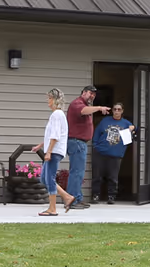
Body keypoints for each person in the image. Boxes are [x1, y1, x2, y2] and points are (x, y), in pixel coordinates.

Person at [64, 85, 108, 210]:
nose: (92, 96)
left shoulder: (84, 105)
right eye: (90, 93)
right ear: (83, 93)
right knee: (76, 172)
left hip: (80, 143)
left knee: (79, 172)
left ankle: (77, 198)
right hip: (76, 142)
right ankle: (71, 201)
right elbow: (83, 111)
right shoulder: (77, 103)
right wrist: (99, 108)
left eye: (94, 94)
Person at [35, 89, 75, 217]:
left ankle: (52, 208)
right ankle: (66, 196)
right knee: (44, 178)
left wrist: (49, 152)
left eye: (50, 98)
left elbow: (56, 136)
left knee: (50, 178)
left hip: (55, 151)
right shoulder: (57, 115)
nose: (48, 101)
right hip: (52, 149)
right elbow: (52, 135)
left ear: (56, 100)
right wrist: (41, 145)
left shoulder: (57, 115)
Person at [91, 102, 134, 204]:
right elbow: (96, 133)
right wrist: (95, 145)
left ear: (122, 111)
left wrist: (133, 128)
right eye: (115, 109)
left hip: (116, 154)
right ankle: (96, 195)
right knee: (97, 175)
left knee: (113, 177)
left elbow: (134, 131)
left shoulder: (126, 123)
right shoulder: (105, 121)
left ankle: (111, 196)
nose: (116, 111)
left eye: (119, 109)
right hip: (100, 152)